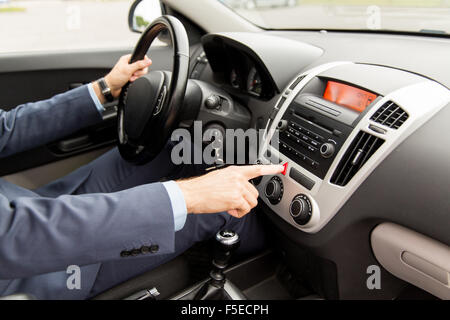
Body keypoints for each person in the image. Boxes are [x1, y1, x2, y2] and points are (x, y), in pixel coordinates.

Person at [0, 54, 283, 299]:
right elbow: (15, 235)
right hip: (35, 267)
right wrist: (191, 195)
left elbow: (5, 129)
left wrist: (104, 88)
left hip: (32, 207)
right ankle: (283, 269)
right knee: (223, 208)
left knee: (173, 150)